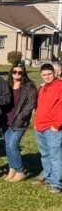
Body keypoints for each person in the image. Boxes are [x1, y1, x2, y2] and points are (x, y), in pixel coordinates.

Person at [34, 63, 62, 193]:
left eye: (49, 74)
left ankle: (57, 183)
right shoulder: (42, 88)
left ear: (54, 73)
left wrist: (57, 125)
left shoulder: (60, 86)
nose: (47, 77)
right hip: (40, 126)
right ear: (41, 75)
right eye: (44, 75)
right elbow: (40, 106)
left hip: (53, 128)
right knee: (45, 155)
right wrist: (36, 123)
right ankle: (48, 177)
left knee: (55, 156)